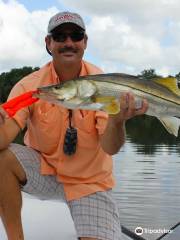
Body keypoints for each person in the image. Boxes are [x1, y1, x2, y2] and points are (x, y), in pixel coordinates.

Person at [0, 11, 148, 240]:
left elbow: (111, 148)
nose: (68, 42)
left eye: (76, 35)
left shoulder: (105, 84)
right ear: (48, 43)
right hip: (44, 172)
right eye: (60, 36)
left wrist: (117, 122)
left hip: (90, 182)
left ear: (85, 42)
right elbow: (3, 139)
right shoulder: (31, 86)